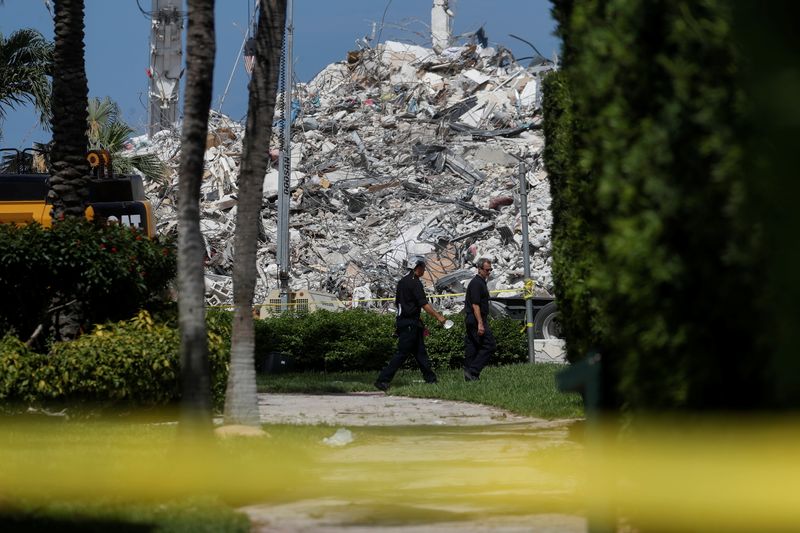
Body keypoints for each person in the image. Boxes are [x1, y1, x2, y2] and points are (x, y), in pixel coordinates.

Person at [375, 259, 447, 392]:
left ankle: (431, 379)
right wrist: (439, 317)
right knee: (402, 353)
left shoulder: (402, 282)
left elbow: (401, 303)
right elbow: (423, 304)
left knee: (420, 353)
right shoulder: (415, 283)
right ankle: (382, 380)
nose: (424, 270)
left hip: (408, 321)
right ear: (417, 267)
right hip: (409, 323)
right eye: (423, 268)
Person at [463, 257, 496, 381]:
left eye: (490, 270)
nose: (488, 272)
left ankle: (469, 373)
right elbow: (475, 305)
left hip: (474, 319)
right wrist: (480, 324)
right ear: (479, 269)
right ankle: (474, 370)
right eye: (486, 270)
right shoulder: (477, 283)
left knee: (472, 346)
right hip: (476, 319)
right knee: (489, 345)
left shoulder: (481, 282)